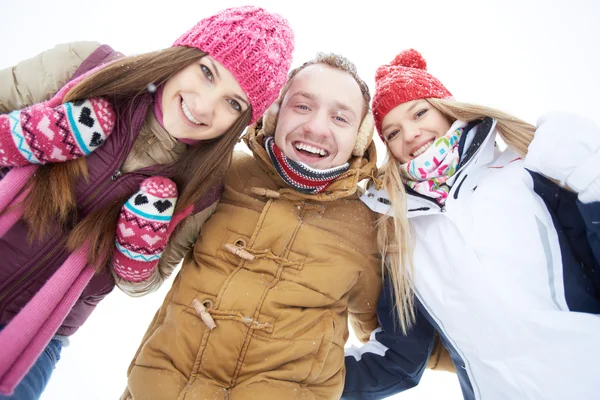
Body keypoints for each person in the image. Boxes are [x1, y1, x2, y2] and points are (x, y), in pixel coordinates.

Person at [0, 6, 294, 399]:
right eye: (207, 72)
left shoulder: (203, 189)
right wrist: (28, 138)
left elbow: (144, 284)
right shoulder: (86, 68)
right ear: (184, 54)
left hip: (39, 336)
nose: (205, 107)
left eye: (233, 104)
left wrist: (136, 254)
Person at [121, 52, 382, 400]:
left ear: (360, 137)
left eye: (339, 118)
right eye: (302, 106)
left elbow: (390, 339)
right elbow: (141, 278)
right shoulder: (223, 173)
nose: (317, 128)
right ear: (275, 113)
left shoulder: (368, 225)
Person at [342, 48, 600, 400]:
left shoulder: (526, 170)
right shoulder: (399, 232)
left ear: (448, 110)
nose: (412, 134)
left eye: (420, 112)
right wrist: (297, 382)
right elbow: (398, 358)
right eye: (393, 132)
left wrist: (591, 171)